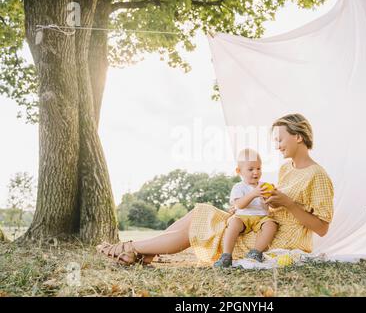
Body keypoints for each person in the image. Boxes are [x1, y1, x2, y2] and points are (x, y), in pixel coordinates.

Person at [96, 113, 334, 266]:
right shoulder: (287, 169)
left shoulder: (317, 175)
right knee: (201, 213)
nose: (277, 145)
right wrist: (270, 201)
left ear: (299, 137)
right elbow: (276, 205)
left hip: (277, 238)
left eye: (280, 139)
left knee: (201, 225)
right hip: (260, 223)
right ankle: (143, 251)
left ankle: (132, 249)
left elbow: (322, 228)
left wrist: (287, 203)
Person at [213, 148, 278, 268]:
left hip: (261, 217)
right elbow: (239, 205)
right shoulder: (239, 187)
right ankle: (226, 255)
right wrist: (254, 194)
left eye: (259, 168)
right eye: (251, 169)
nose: (256, 172)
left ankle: (255, 253)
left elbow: (271, 205)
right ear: (239, 171)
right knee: (233, 224)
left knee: (271, 225)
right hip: (243, 217)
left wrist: (270, 196)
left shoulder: (264, 186)